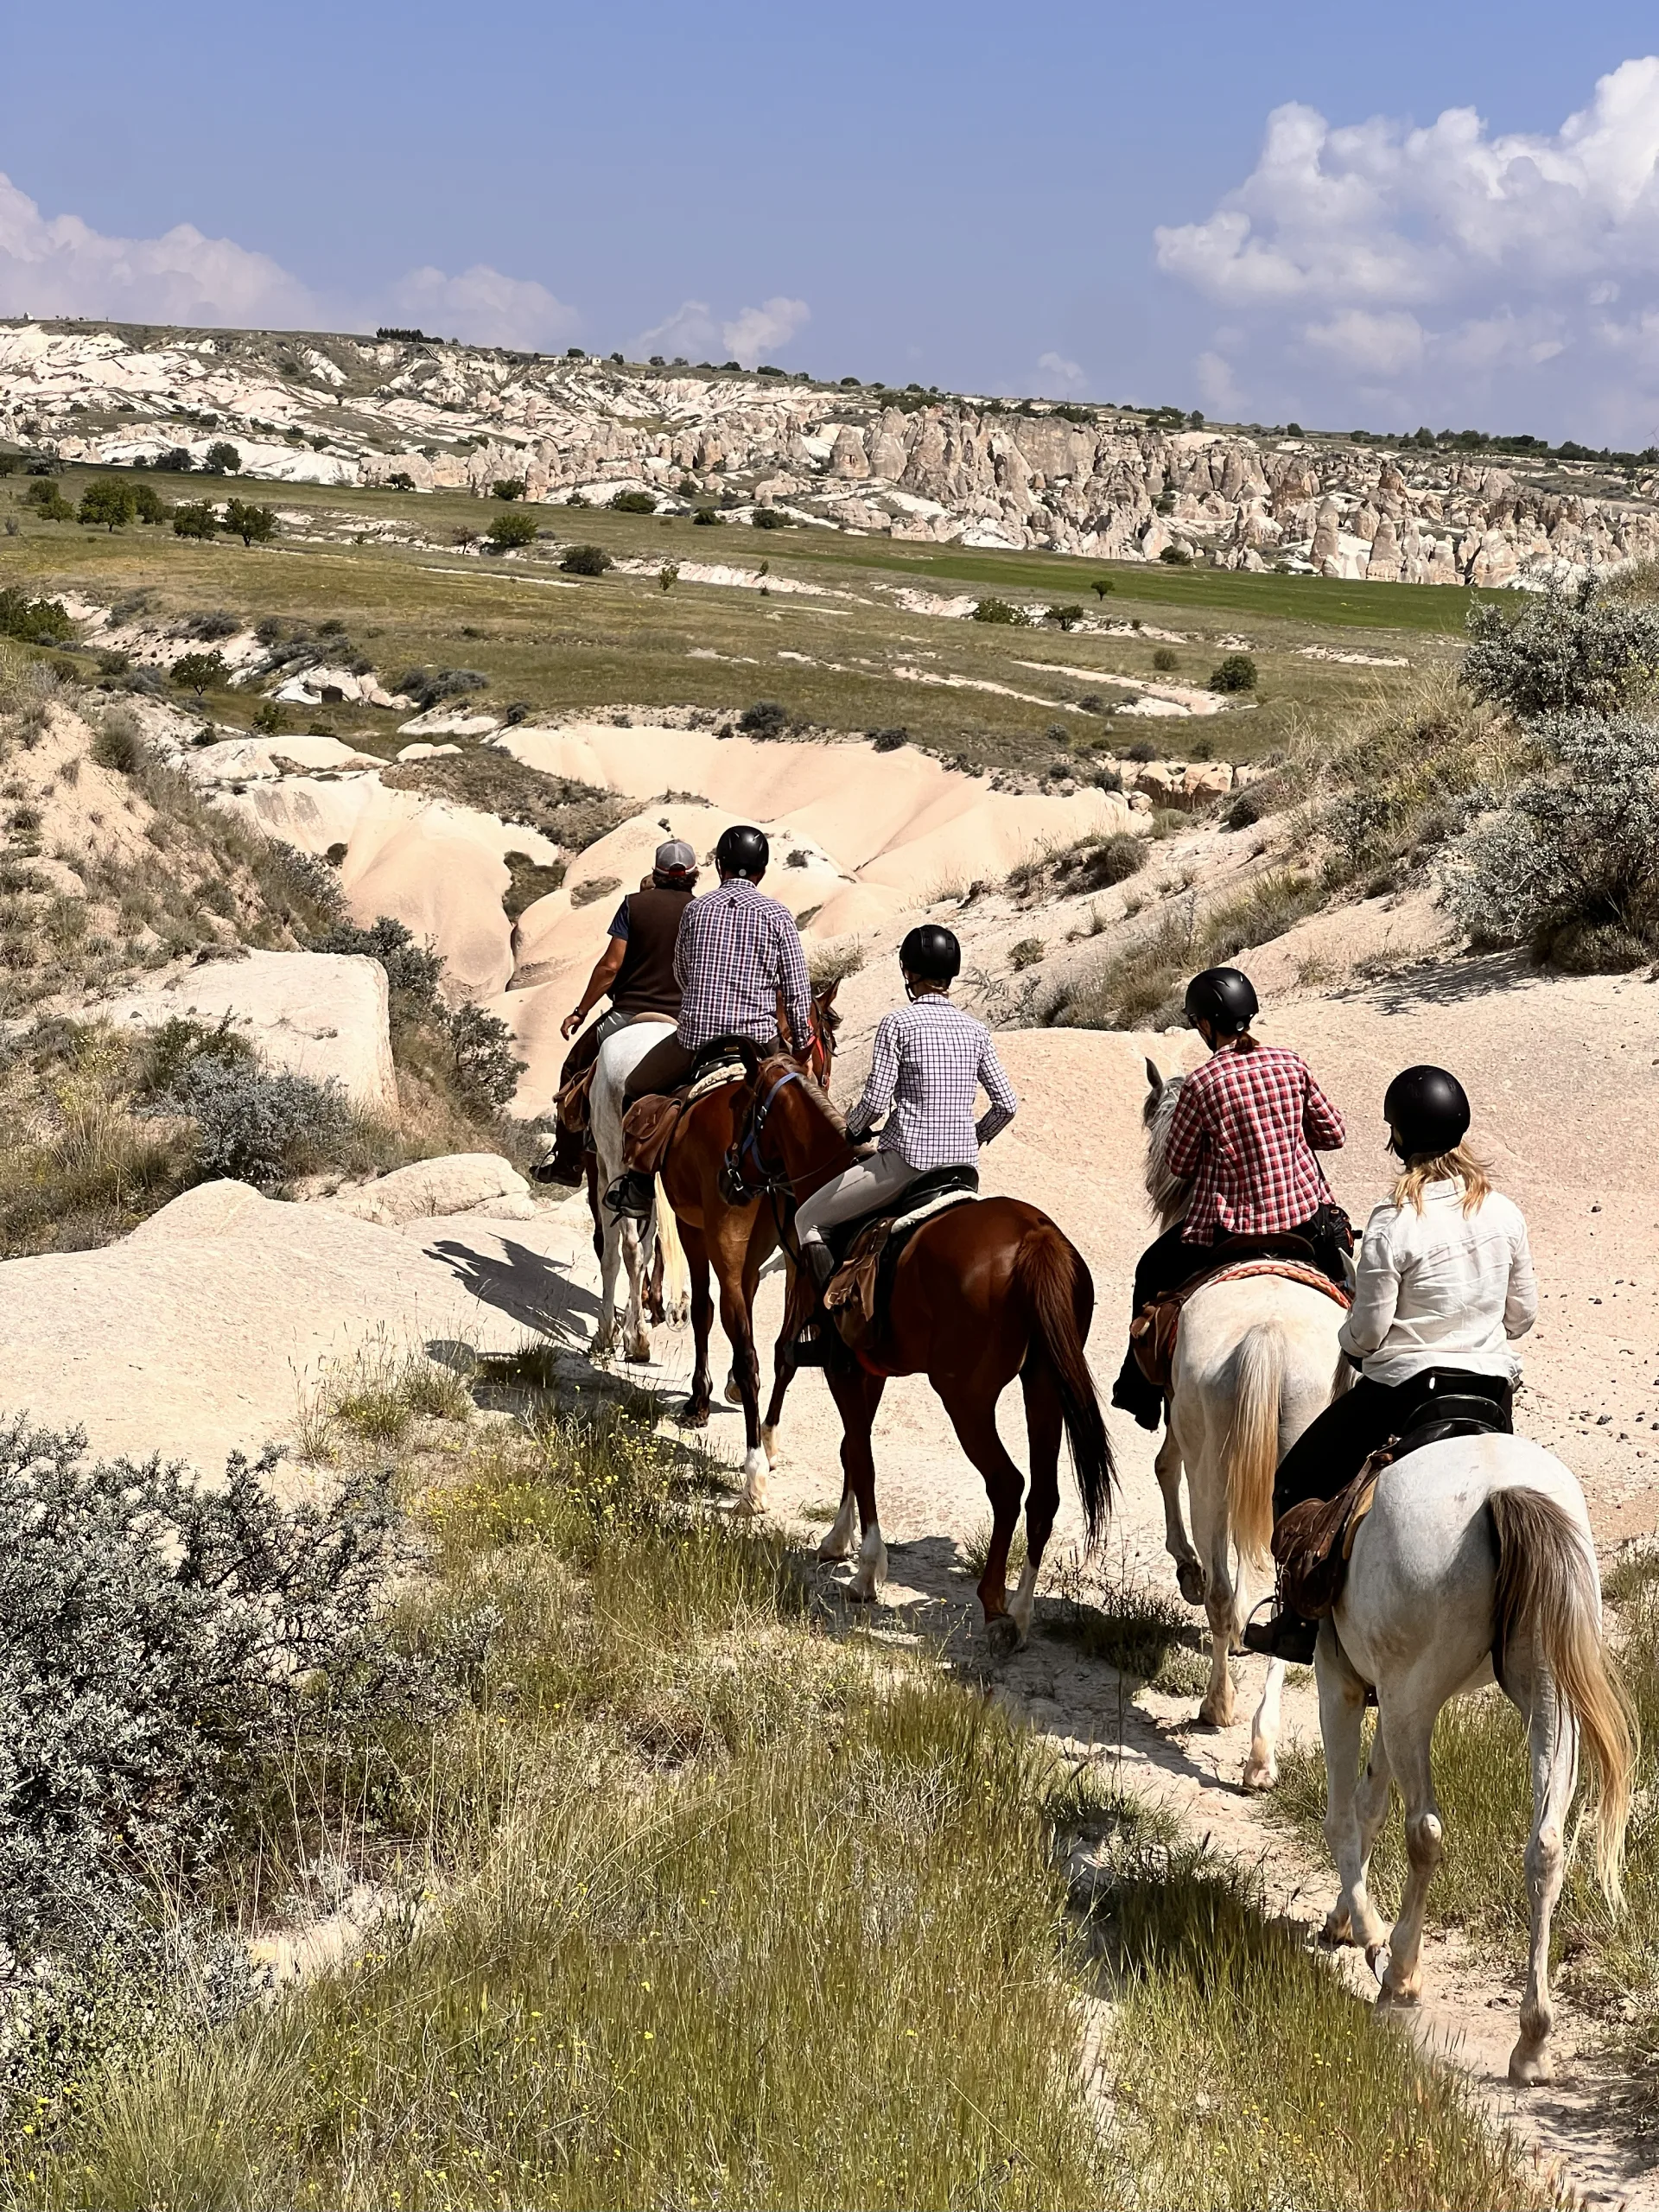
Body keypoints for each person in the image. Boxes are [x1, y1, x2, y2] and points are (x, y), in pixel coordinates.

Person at [1243, 1065, 1537, 1663]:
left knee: (1296, 1479)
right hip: (1488, 1393)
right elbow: (1521, 1317)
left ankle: (1299, 1620)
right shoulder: (1504, 1213)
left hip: (1406, 1391)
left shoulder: (1393, 1222)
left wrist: (1350, 1342)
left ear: (1398, 1138)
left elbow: (1371, 1330)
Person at [1112, 966, 1347, 1432]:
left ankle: (1139, 1392)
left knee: (1150, 1272)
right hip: (1304, 1220)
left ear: (1205, 1024)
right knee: (1351, 1284)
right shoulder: (1291, 1064)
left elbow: (1177, 1164)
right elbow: (1333, 1134)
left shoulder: (1202, 1084)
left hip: (1226, 1230)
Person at [791, 924, 1016, 1340]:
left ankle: (830, 1329)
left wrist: (853, 1131)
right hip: (964, 1170)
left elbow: (876, 1102)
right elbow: (1007, 1104)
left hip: (907, 1165)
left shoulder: (898, 1022)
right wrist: (974, 1134)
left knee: (809, 1220)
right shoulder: (976, 1030)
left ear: (909, 973)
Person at [604, 823, 813, 1218]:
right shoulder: (779, 915)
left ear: (719, 867)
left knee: (636, 1088)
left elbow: (682, 972)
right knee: (805, 1108)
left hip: (697, 1039)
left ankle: (638, 1185)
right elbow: (798, 993)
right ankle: (809, 1191)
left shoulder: (697, 909)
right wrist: (800, 1042)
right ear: (762, 871)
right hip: (760, 1041)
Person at [537, 840, 699, 1185]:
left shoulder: (634, 906)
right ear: (692, 875)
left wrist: (580, 1011)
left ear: (656, 872)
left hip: (628, 1013)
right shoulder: (703, 911)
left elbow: (611, 967)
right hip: (686, 1021)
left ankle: (566, 1161)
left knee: (573, 1066)